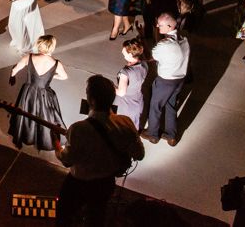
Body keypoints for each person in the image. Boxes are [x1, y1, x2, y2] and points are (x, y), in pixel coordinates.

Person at [53, 75, 144, 227]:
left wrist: (56, 143)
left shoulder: (78, 128)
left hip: (78, 183)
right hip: (105, 183)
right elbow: (139, 155)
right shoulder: (125, 122)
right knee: (96, 216)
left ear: (92, 100)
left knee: (65, 215)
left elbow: (66, 159)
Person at [8, 35, 68, 151]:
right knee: (46, 115)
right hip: (44, 93)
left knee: (25, 113)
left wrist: (12, 77)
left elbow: (15, 69)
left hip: (28, 92)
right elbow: (64, 77)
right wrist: (50, 77)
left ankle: (23, 136)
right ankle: (46, 139)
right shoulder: (56, 63)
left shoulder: (29, 57)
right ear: (52, 47)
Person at [141, 13, 190, 147]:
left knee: (155, 106)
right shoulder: (184, 38)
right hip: (180, 79)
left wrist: (144, 38)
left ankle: (153, 134)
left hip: (165, 81)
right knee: (171, 105)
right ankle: (171, 136)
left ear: (169, 26)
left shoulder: (164, 44)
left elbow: (152, 56)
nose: (157, 26)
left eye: (160, 24)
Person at [115, 38, 148, 129]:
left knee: (123, 126)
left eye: (124, 51)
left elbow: (121, 93)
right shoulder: (144, 64)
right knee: (134, 124)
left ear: (130, 54)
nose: (122, 51)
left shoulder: (126, 72)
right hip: (137, 100)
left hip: (126, 104)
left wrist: (110, 86)